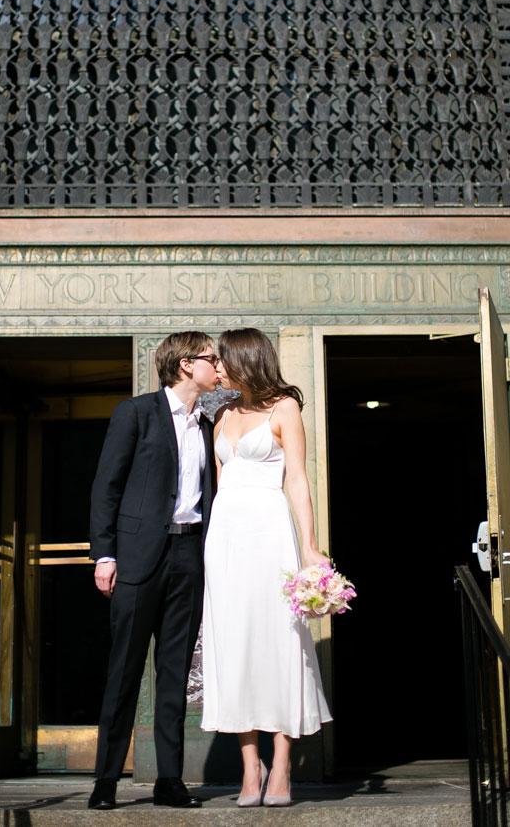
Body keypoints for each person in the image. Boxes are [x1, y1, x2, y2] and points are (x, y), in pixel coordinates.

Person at [88, 332, 219, 810]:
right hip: (138, 557)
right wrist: (104, 554)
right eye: (211, 358)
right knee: (123, 671)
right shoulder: (136, 413)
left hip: (189, 557)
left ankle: (170, 780)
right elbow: (107, 485)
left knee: (175, 674)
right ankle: (105, 782)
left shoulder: (207, 424)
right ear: (186, 365)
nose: (217, 366)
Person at [201, 328, 332, 807]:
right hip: (226, 542)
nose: (216, 368)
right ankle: (248, 770)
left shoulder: (284, 408)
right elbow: (218, 490)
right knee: (233, 648)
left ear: (245, 360)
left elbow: (296, 479)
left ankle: (280, 765)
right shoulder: (222, 413)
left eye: (222, 360)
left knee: (278, 644)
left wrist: (311, 545)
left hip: (269, 536)